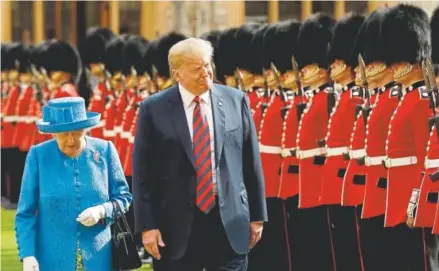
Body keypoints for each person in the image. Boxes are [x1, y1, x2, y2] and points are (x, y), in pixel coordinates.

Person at [132, 37, 268, 271]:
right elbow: (143, 172)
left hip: (228, 220)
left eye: (207, 65)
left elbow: (250, 162)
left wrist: (257, 215)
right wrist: (147, 225)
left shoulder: (236, 100)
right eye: (197, 68)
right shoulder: (153, 109)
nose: (206, 72)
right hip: (175, 225)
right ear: (177, 74)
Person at [15, 97, 132, 271]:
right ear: (53, 132)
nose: (71, 140)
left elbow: (124, 197)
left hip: (100, 257)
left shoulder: (105, 150)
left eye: (77, 131)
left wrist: (102, 211)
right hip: (52, 259)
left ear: (86, 128)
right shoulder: (38, 155)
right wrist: (28, 254)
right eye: (63, 133)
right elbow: (26, 213)